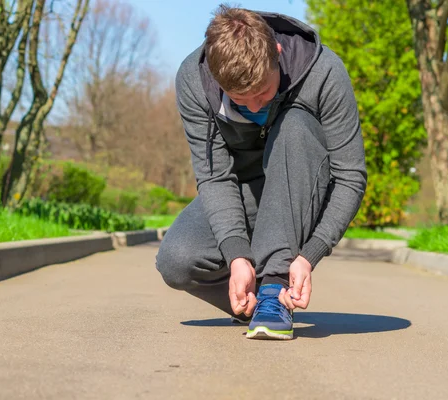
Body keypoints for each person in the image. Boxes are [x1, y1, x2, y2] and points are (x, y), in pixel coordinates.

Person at [155, 4, 367, 340]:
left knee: (295, 124)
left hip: (306, 182)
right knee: (177, 261)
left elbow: (351, 176)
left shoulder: (324, 70)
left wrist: (309, 255)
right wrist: (237, 254)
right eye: (241, 99)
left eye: (263, 93)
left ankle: (274, 288)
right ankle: (257, 303)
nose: (255, 107)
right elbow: (215, 176)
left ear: (277, 53)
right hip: (248, 190)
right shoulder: (193, 81)